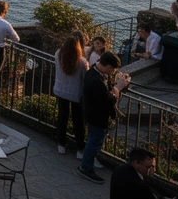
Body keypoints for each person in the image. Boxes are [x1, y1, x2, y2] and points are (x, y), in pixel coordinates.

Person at [80, 52, 130, 184]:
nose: (112, 72)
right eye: (112, 69)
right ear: (107, 66)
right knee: (94, 142)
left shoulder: (94, 73)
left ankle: (87, 163)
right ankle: (86, 167)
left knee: (93, 140)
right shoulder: (96, 80)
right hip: (97, 116)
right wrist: (118, 88)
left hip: (93, 114)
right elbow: (107, 100)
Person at [53, 34, 88, 156]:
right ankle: (80, 149)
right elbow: (86, 78)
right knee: (78, 121)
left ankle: (61, 144)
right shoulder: (82, 62)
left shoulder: (58, 54)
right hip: (75, 93)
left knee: (62, 117)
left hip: (60, 90)